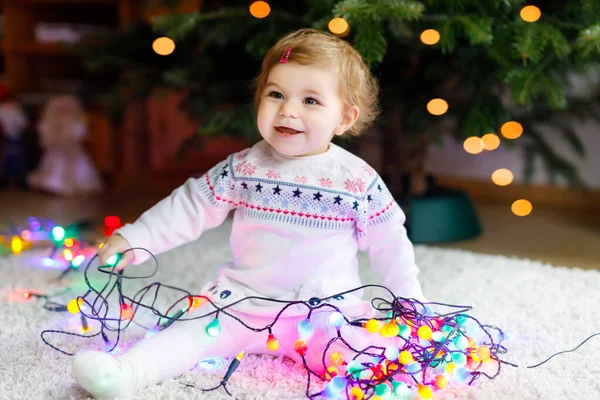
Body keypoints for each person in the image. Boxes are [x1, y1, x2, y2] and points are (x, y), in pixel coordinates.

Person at [72, 28, 427, 399]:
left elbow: (391, 245)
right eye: (276, 94)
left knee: (367, 356)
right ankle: (124, 373)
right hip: (240, 303)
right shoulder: (244, 167)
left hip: (321, 311)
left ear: (344, 119)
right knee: (187, 335)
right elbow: (191, 206)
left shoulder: (357, 181)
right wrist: (137, 237)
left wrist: (411, 305)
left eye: (310, 100)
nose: (288, 109)